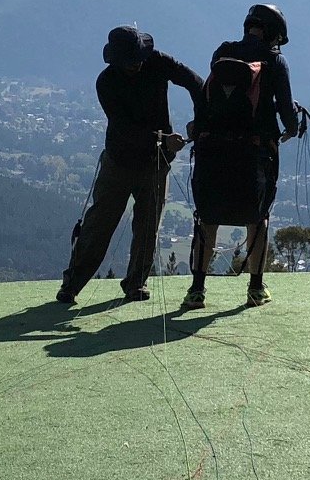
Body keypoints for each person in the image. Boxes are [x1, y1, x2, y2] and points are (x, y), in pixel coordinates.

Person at [56, 25, 204, 305]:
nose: (137, 64)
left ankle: (136, 283)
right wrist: (164, 139)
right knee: (99, 225)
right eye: (131, 61)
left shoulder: (157, 61)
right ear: (116, 61)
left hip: (156, 161)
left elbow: (195, 82)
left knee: (148, 227)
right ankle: (72, 284)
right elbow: (124, 128)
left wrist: (201, 119)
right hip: (120, 161)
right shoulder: (106, 83)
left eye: (139, 58)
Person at [182, 3, 301, 310]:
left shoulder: (222, 52)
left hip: (212, 151)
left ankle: (197, 289)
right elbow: (286, 110)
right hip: (254, 153)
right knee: (257, 218)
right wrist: (291, 127)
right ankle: (256, 288)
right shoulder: (276, 62)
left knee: (207, 218)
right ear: (274, 33)